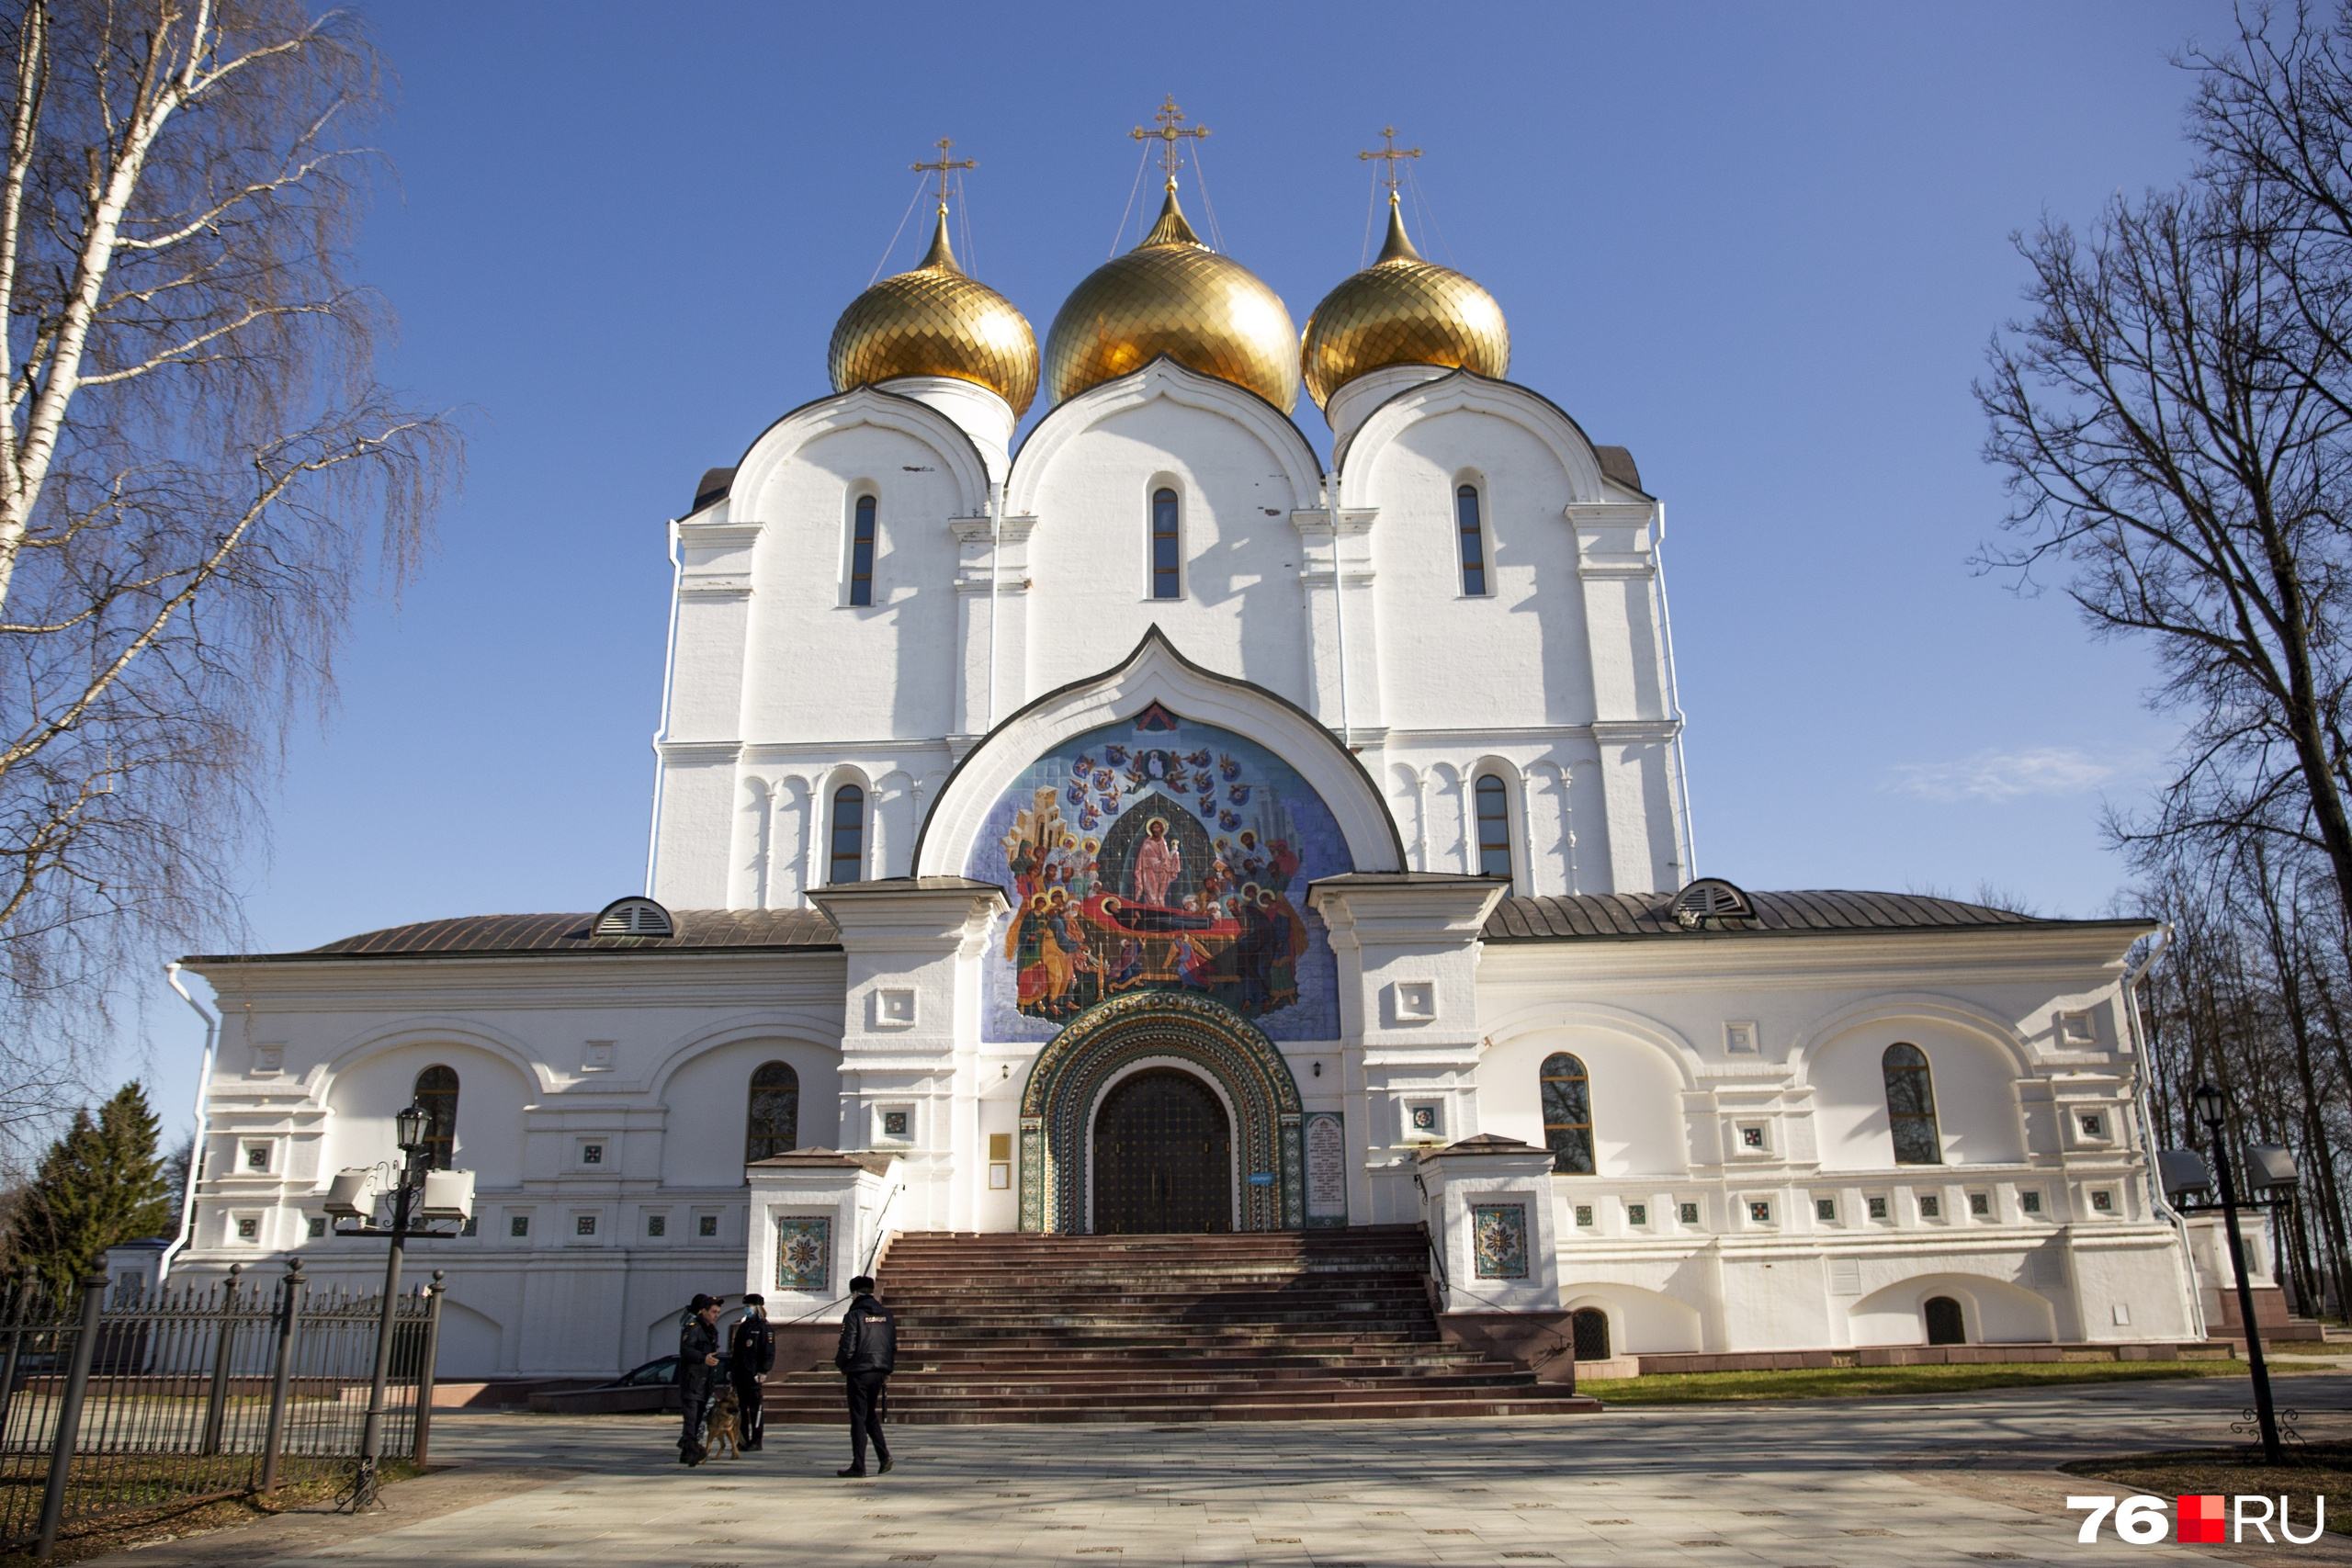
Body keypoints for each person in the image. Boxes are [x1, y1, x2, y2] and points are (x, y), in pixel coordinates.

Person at [833, 1274, 896, 1477]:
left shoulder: (854, 1316)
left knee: (859, 1418)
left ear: (854, 1293)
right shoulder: (886, 1315)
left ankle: (859, 1465)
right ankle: (884, 1455)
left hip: (859, 1371)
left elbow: (847, 1347)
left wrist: (841, 1364)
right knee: (870, 1416)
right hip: (879, 1370)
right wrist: (887, 1370)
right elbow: (892, 1345)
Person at [676, 1293, 723, 1465]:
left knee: (697, 1421)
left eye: (718, 1312)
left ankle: (687, 1452)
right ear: (703, 1311)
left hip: (705, 1382)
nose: (716, 1315)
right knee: (691, 1419)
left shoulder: (711, 1330)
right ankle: (694, 1450)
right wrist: (703, 1358)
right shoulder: (693, 1328)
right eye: (713, 1312)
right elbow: (686, 1351)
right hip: (692, 1381)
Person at [728, 1292, 776, 1452]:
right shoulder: (744, 1327)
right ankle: (742, 1439)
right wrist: (732, 1370)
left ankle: (756, 1440)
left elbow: (768, 1352)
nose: (746, 1310)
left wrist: (764, 1371)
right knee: (740, 1409)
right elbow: (737, 1351)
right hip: (740, 1374)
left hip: (754, 1375)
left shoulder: (764, 1327)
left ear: (757, 1308)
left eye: (749, 1307)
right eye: (745, 1307)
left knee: (755, 1409)